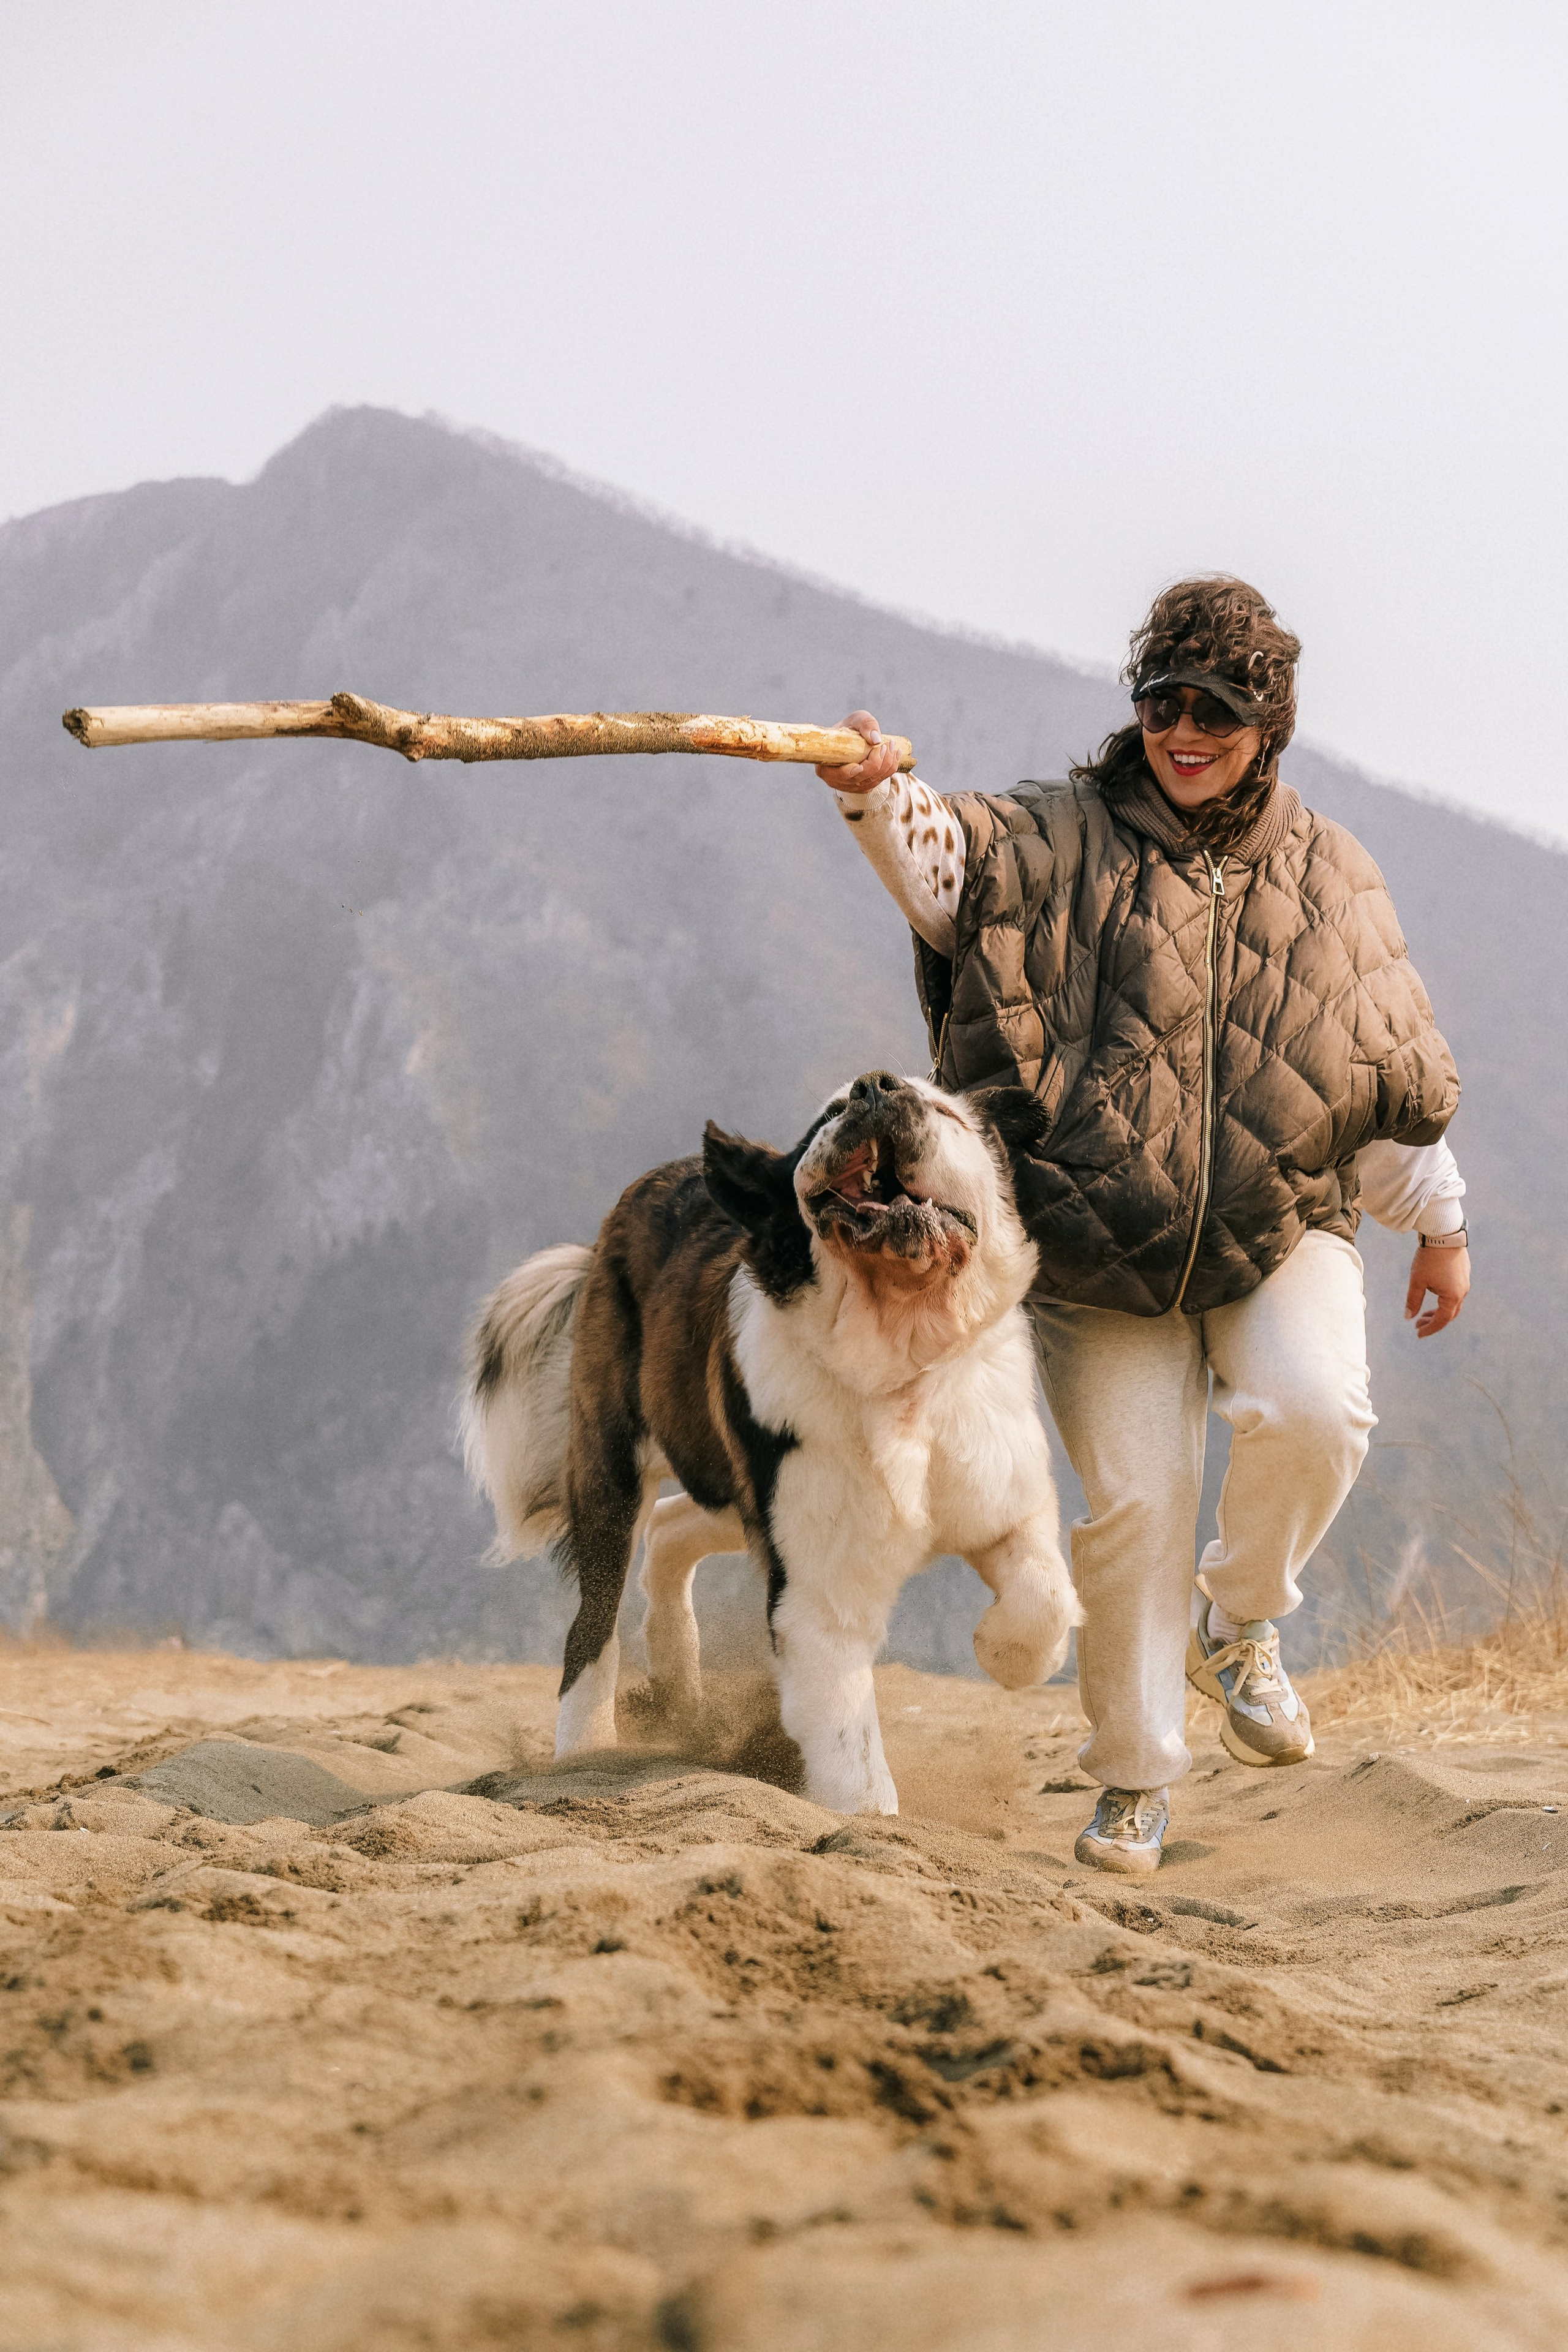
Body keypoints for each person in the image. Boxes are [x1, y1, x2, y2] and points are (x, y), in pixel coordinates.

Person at [816, 576, 1469, 1875]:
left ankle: (1236, 1624)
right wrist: (872, 796)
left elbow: (1381, 1067)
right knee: (1132, 1507)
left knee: (1314, 1412)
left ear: (1266, 725)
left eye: (1215, 711)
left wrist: (1436, 1227)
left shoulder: (1329, 873)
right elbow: (949, 872)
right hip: (1087, 1241)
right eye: (1161, 701)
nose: (1183, 730)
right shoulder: (1059, 835)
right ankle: (1130, 1780)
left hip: (1278, 1226)